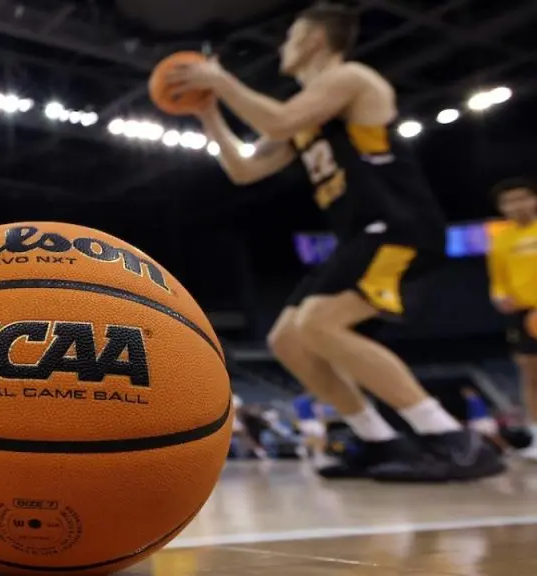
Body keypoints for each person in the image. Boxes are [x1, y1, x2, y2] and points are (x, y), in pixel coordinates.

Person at [166, 2, 503, 481]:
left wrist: (220, 80)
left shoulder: (352, 79)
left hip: (399, 225)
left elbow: (279, 121)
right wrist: (209, 113)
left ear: (315, 40)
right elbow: (243, 170)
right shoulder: (304, 115)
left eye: (290, 36)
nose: (283, 46)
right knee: (288, 339)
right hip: (357, 234)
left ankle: (453, 439)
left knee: (321, 324)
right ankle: (377, 440)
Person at [487, 178, 537, 461]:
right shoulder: (501, 240)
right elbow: (498, 280)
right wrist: (499, 296)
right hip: (522, 316)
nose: (517, 205)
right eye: (510, 201)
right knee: (530, 373)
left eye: (523, 197)